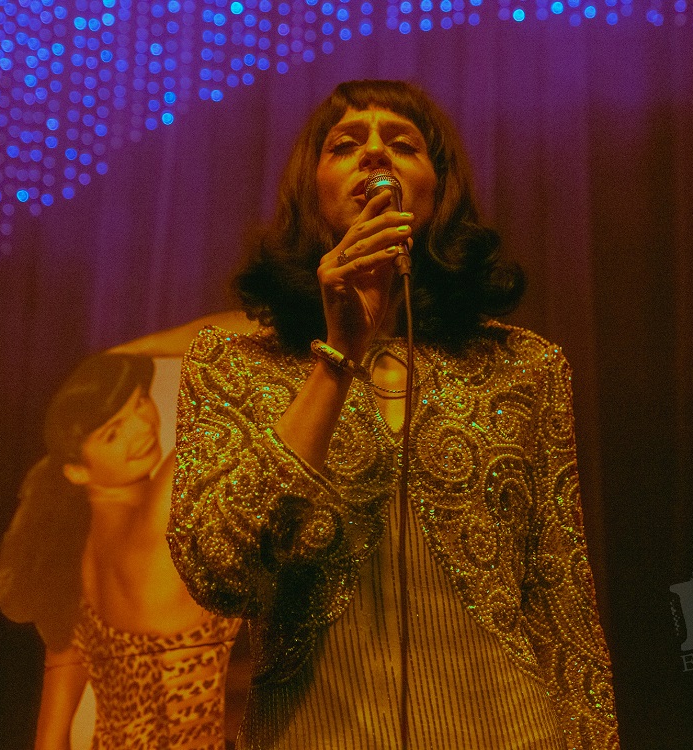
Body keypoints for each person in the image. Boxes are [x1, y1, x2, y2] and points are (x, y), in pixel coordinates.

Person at [167, 80, 620, 749]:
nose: (375, 152)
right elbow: (216, 568)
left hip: (510, 730)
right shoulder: (233, 364)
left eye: (403, 144)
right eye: (345, 144)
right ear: (312, 190)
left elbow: (561, 594)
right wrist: (337, 358)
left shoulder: (525, 366)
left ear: (439, 191)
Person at [0, 352, 241, 750]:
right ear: (77, 470)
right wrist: (137, 348)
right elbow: (247, 342)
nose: (142, 427)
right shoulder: (160, 515)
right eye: (112, 433)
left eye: (140, 400)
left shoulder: (70, 564)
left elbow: (49, 740)